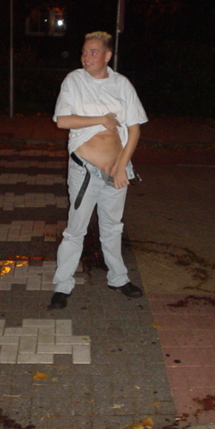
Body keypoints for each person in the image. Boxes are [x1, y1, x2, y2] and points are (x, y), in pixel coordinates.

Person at [49, 31, 148, 310]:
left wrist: (121, 167)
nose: (86, 57)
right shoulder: (74, 81)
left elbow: (134, 129)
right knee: (75, 230)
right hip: (85, 169)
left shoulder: (122, 84)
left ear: (107, 56)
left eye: (93, 52)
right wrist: (101, 120)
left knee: (113, 227)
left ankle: (118, 278)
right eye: (84, 52)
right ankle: (63, 284)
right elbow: (62, 121)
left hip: (117, 170)